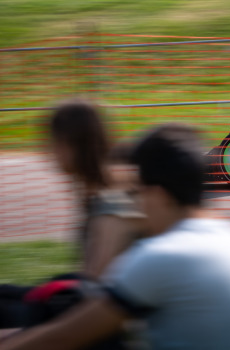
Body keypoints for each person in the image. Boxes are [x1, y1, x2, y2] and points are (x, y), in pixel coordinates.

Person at [1, 123, 230, 350]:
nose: (136, 203)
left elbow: (63, 337)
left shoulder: (162, 255)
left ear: (159, 194)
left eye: (138, 191)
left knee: (66, 305)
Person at [0, 98, 143, 329]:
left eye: (50, 142)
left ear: (70, 145)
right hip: (91, 301)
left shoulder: (112, 203)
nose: (45, 151)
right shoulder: (97, 192)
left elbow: (95, 290)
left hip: (110, 323)